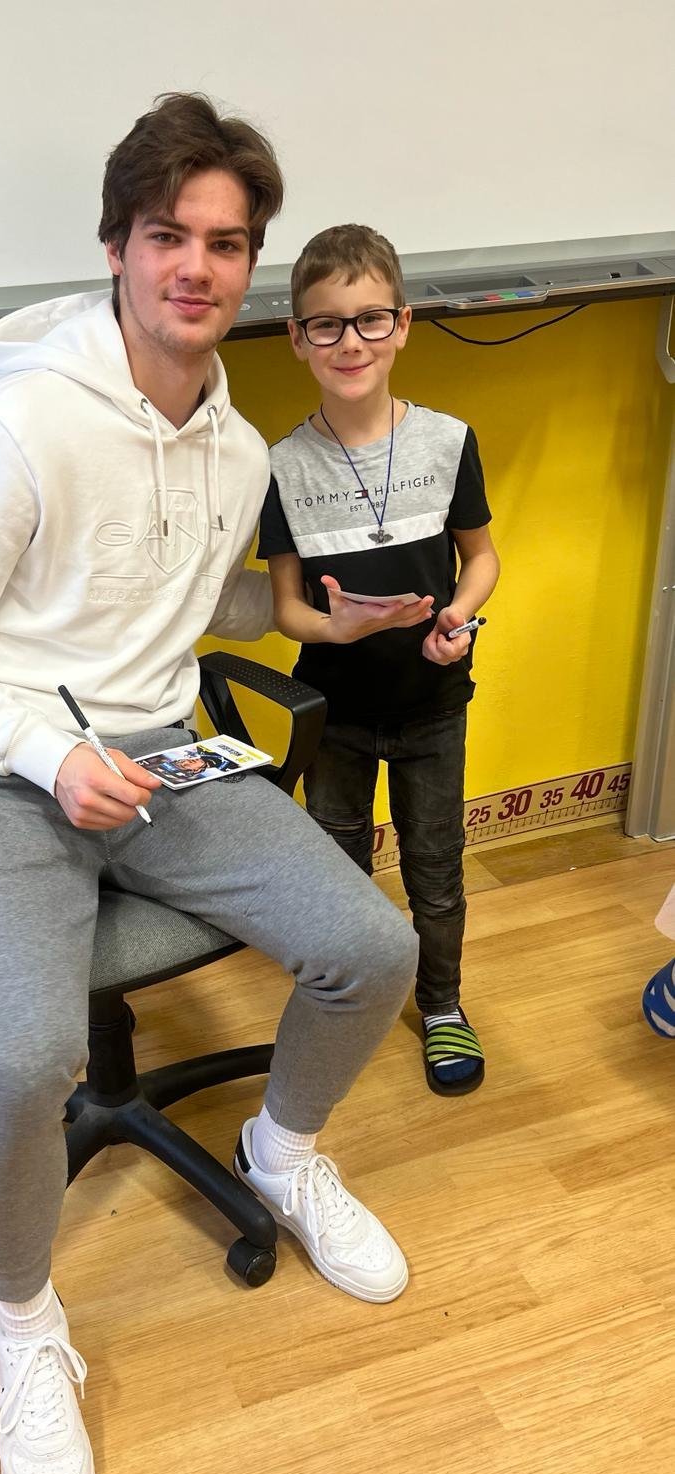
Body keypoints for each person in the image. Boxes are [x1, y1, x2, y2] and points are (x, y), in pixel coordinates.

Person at [0, 101, 419, 1474]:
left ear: (251, 266)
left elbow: (168, 598)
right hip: (7, 773)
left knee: (375, 948)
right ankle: (27, 1323)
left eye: (227, 244)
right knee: (23, 1058)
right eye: (169, 235)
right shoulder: (14, 426)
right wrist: (47, 754)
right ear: (116, 245)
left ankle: (282, 1154)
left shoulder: (235, 452)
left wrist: (312, 612)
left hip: (163, 755)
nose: (197, 267)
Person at [259, 224, 501, 1097]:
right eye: (326, 324)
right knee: (338, 870)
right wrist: (338, 631)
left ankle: (442, 1006)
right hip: (335, 712)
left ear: (401, 325)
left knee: (437, 868)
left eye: (369, 320)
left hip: (434, 703)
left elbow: (481, 559)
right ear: (298, 338)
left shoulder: (447, 441)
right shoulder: (280, 467)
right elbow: (288, 607)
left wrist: (459, 618)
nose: (349, 342)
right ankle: (347, 1004)